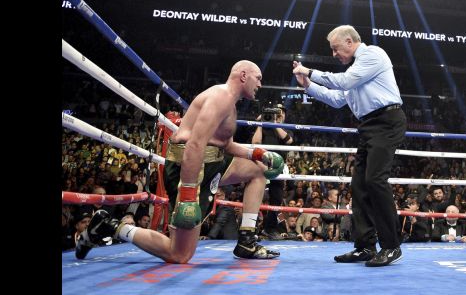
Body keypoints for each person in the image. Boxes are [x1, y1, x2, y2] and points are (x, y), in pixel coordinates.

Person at [76, 60, 285, 263]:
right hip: (189, 167)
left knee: (258, 169)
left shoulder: (230, 101)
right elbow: (194, 144)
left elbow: (225, 144)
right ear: (243, 76)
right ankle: (109, 225)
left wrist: (257, 154)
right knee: (179, 254)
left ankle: (247, 241)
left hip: (213, 162)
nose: (260, 84)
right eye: (258, 78)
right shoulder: (221, 97)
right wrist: (187, 194)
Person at [292, 24, 405, 267]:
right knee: (359, 186)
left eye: (335, 49)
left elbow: (343, 82)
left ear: (349, 42)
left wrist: (309, 71)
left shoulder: (372, 55)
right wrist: (307, 86)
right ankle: (364, 246)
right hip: (368, 126)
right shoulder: (356, 71)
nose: (334, 54)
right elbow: (336, 99)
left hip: (387, 121)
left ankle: (391, 245)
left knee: (375, 180)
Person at [251, 103, 294, 238]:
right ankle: (249, 228)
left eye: (282, 112)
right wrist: (261, 123)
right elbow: (255, 143)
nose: (280, 114)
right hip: (261, 167)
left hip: (277, 168)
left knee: (276, 199)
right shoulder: (263, 128)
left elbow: (288, 141)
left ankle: (269, 229)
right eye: (276, 112)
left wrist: (276, 123)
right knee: (255, 198)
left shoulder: (285, 129)